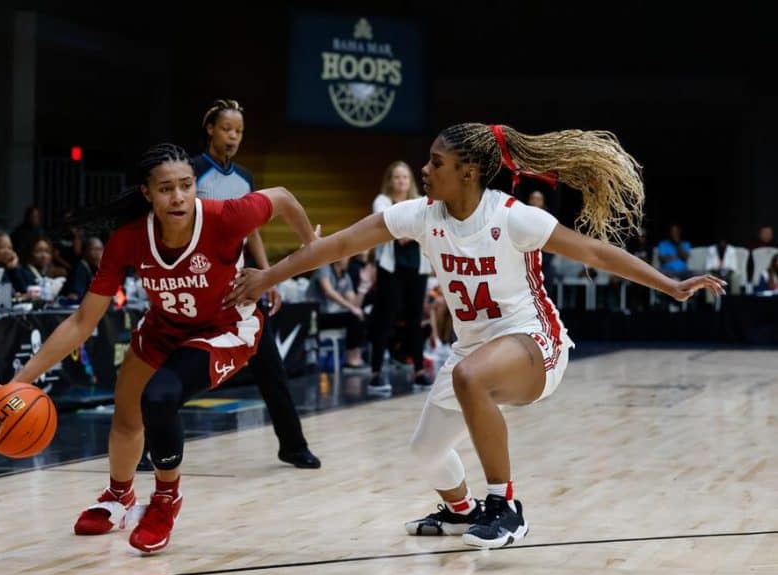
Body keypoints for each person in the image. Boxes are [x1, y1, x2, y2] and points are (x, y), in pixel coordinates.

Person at [226, 122, 725, 549]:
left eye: (435, 163)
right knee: (425, 451)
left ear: (468, 172)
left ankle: (507, 506)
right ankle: (461, 510)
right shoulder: (420, 216)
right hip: (475, 350)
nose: (425, 170)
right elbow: (339, 244)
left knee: (469, 376)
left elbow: (594, 253)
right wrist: (268, 276)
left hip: (535, 343)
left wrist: (669, 285)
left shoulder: (512, 217)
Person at [5, 143, 318, 553]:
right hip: (164, 327)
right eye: (167, 188)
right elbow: (83, 321)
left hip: (225, 327)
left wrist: (308, 246)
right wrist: (16, 383)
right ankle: (119, 495)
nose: (179, 197)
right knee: (127, 412)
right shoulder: (128, 240)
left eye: (187, 186)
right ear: (147, 193)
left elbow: (283, 198)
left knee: (161, 397)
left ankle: (166, 499)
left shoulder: (225, 217)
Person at [191, 98, 320, 468]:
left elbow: (253, 232)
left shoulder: (245, 178)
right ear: (211, 129)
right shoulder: (191, 172)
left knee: (270, 367)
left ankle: (293, 445)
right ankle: (147, 445)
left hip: (240, 286)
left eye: (239, 131)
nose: (233, 136)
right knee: (174, 367)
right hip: (198, 284)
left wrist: (270, 277)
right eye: (227, 128)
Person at [369, 161, 432, 392]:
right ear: (390, 180)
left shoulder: (420, 203)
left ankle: (419, 371)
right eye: (397, 177)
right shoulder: (382, 201)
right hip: (390, 269)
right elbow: (393, 230)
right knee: (385, 318)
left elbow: (422, 231)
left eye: (405, 177)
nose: (401, 181)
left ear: (410, 181)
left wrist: (409, 232)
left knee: (415, 320)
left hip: (416, 268)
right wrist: (411, 231)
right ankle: (375, 373)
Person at [306, 256, 369, 369]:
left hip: (332, 314)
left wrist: (363, 287)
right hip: (315, 316)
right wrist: (351, 307)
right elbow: (328, 291)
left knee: (362, 316)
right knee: (353, 317)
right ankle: (351, 359)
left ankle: (357, 354)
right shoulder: (324, 267)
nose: (348, 259)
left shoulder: (345, 276)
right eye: (346, 256)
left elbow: (355, 304)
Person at [62, 237, 104, 301]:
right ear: (85, 252)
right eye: (95, 249)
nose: (98, 254)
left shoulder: (94, 269)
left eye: (101, 250)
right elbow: (74, 297)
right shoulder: (80, 269)